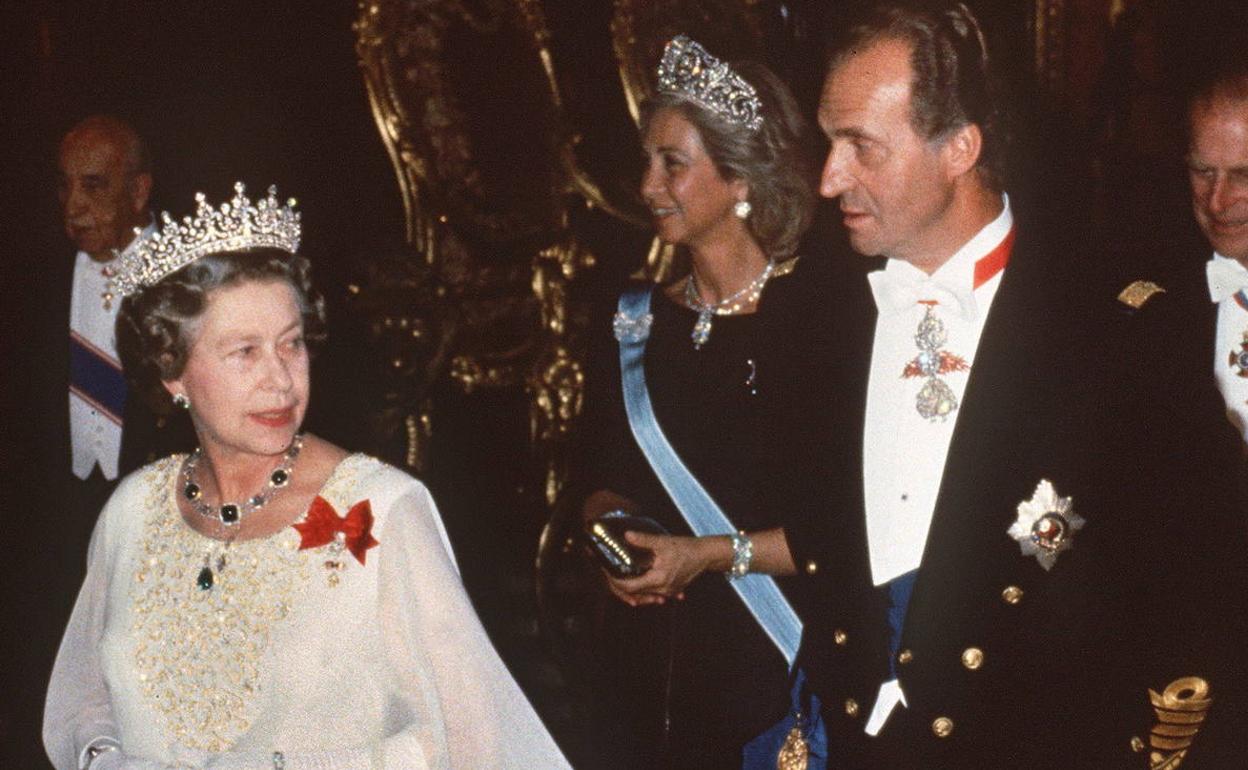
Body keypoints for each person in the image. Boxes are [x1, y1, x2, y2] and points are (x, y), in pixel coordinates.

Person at [763, 2, 1246, 767]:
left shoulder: (1118, 331)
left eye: (861, 146)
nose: (828, 179)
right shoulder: (813, 318)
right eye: (829, 142)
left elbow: (1205, 590)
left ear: (959, 148)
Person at [43, 183, 570, 769]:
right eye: (244, 351)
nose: (281, 380)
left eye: (291, 345)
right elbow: (86, 699)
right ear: (173, 373)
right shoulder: (132, 511)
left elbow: (471, 736)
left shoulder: (380, 510)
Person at [575, 35, 818, 768]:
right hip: (645, 670)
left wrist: (704, 556)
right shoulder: (630, 320)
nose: (648, 185)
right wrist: (610, 535)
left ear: (741, 177)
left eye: (672, 164)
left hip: (773, 665)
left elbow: (843, 534)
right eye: (647, 160)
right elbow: (596, 476)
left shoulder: (816, 323)